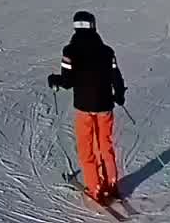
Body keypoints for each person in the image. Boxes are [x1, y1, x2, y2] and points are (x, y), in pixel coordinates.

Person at [47, 11, 127, 204]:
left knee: (86, 147)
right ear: (93, 26)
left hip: (84, 106)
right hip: (105, 104)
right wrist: (119, 94)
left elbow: (67, 81)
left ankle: (95, 187)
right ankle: (112, 183)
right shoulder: (107, 51)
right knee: (105, 144)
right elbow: (115, 75)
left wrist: (53, 80)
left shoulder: (70, 51)